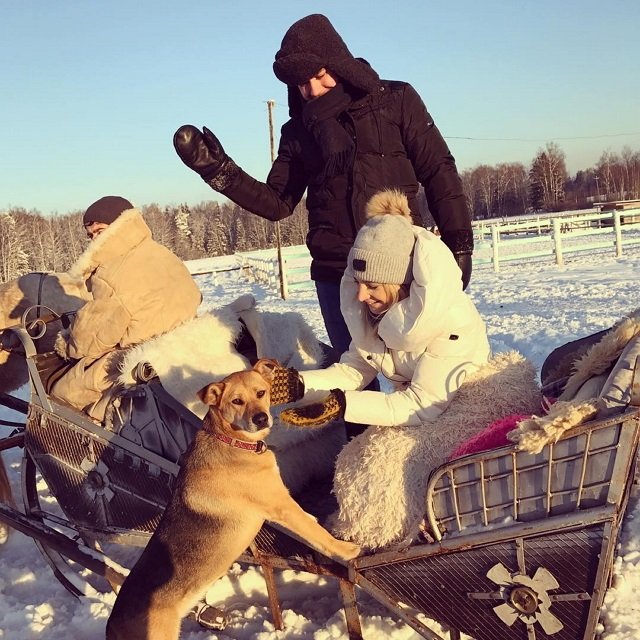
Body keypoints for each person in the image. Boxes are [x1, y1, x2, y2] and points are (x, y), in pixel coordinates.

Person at [173, 13, 473, 360]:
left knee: (428, 369)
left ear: (339, 63)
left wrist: (458, 243)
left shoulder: (394, 100)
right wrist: (219, 171)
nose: (312, 91)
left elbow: (439, 170)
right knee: (356, 375)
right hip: (337, 276)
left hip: (402, 265)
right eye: (302, 84)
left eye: (319, 76)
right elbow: (277, 203)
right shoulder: (298, 132)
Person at [269, 189, 490, 430]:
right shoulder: (380, 313)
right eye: (358, 284)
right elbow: (354, 369)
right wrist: (299, 385)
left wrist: (342, 405)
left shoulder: (451, 322)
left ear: (401, 282)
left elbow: (420, 404)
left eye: (372, 285)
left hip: (469, 418)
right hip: (425, 415)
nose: (362, 296)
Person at [51, 196, 202, 421]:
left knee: (62, 394)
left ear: (119, 228)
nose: (94, 241)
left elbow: (91, 340)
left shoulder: (110, 273)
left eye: (100, 232)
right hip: (185, 341)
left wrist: (68, 344)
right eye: (90, 235)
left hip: (142, 357)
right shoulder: (160, 252)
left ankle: (78, 447)